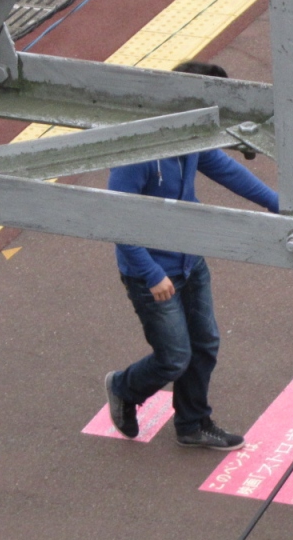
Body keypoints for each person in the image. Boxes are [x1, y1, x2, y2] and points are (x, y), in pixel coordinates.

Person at [105, 61, 278, 450]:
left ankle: (193, 423)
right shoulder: (140, 148)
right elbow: (115, 218)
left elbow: (226, 170)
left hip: (189, 259)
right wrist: (150, 274)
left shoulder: (192, 134)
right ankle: (123, 387)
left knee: (205, 345)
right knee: (173, 358)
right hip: (152, 273)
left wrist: (278, 205)